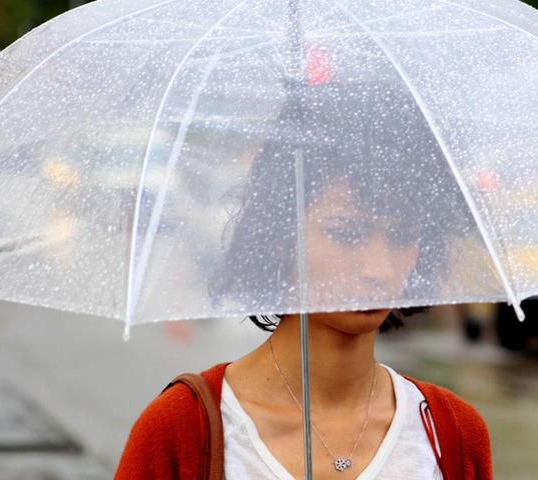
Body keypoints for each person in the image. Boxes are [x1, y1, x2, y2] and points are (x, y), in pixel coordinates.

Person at [114, 81, 492, 479]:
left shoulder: (451, 434)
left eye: (402, 236)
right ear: (281, 235)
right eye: (346, 232)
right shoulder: (184, 429)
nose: (379, 269)